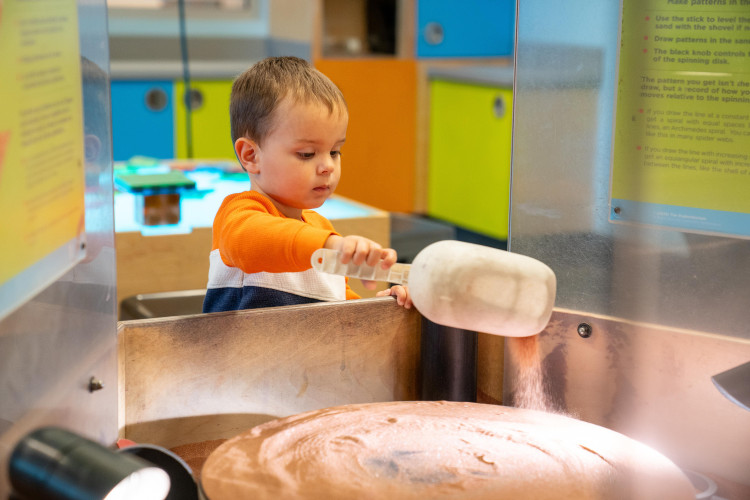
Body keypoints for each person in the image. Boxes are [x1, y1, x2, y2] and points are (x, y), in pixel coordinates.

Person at [202, 56, 411, 313]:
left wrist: (383, 305)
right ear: (251, 156)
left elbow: (341, 311)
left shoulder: (321, 230)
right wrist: (330, 246)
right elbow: (258, 240)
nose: (328, 166)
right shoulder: (238, 216)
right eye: (307, 154)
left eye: (335, 151)